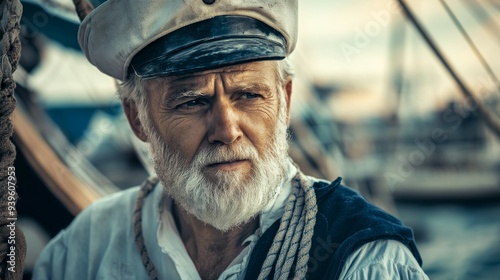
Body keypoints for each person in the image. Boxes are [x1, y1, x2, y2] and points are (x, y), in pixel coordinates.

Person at [33, 0, 429, 279]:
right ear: (137, 118)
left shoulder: (365, 261)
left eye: (249, 95)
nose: (227, 130)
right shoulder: (88, 246)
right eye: (192, 101)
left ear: (285, 101)